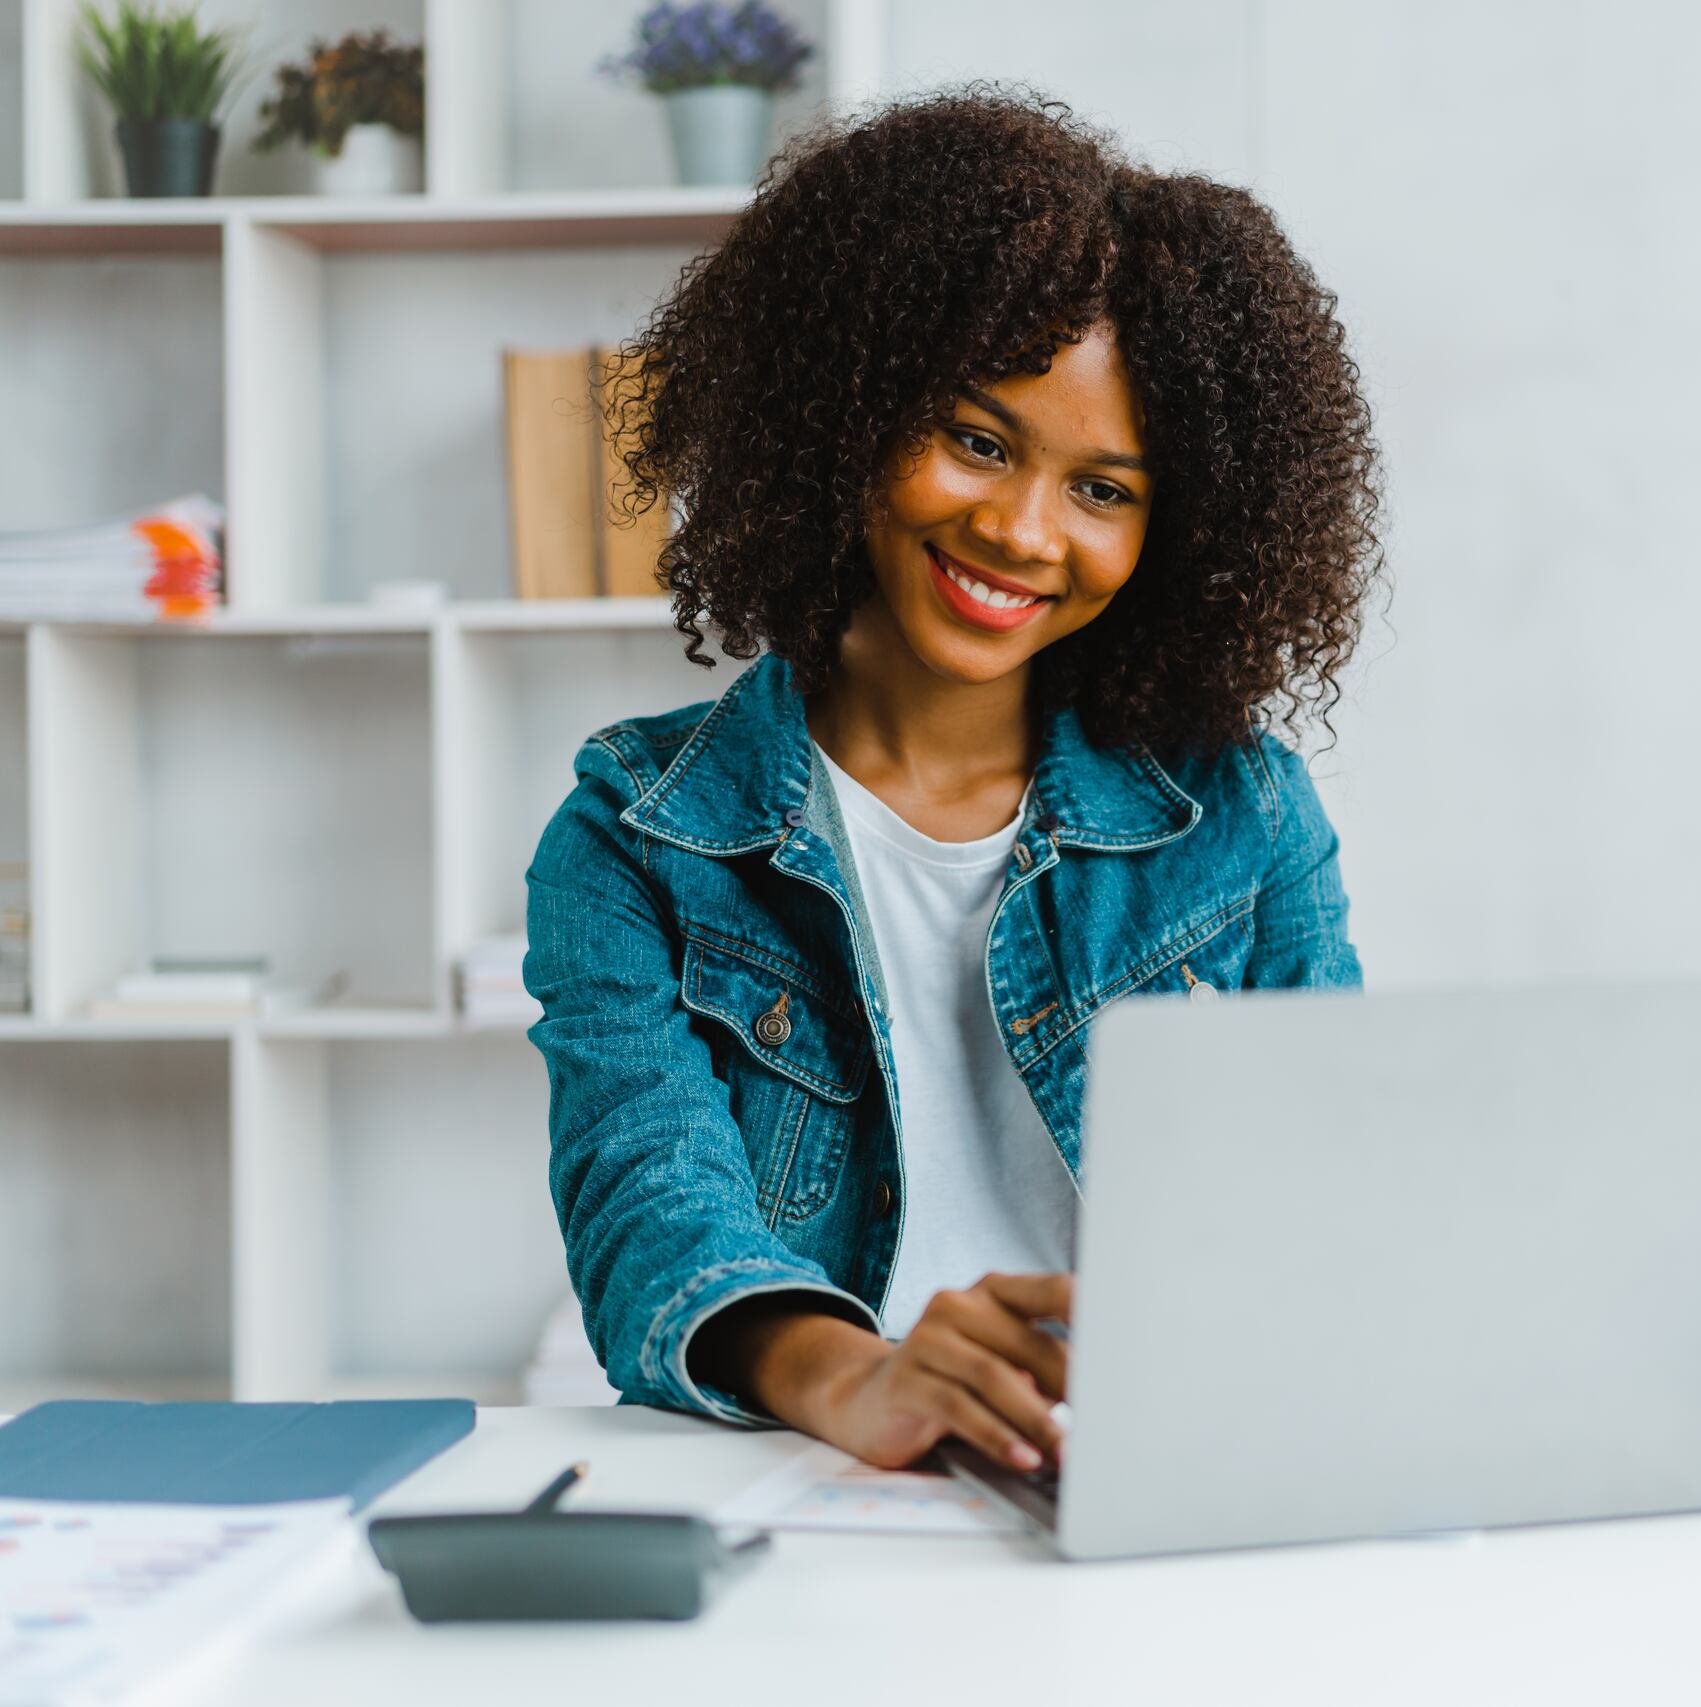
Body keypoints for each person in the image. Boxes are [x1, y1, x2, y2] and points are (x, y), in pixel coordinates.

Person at [524, 87, 1382, 1475]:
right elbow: (649, 1209)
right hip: (818, 1476)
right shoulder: (639, 834)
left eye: (1104, 490)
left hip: (1161, 1472)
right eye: (978, 440)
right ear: (843, 411)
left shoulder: (1244, 815)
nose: (1021, 531)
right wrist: (861, 1380)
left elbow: (1335, 1197)